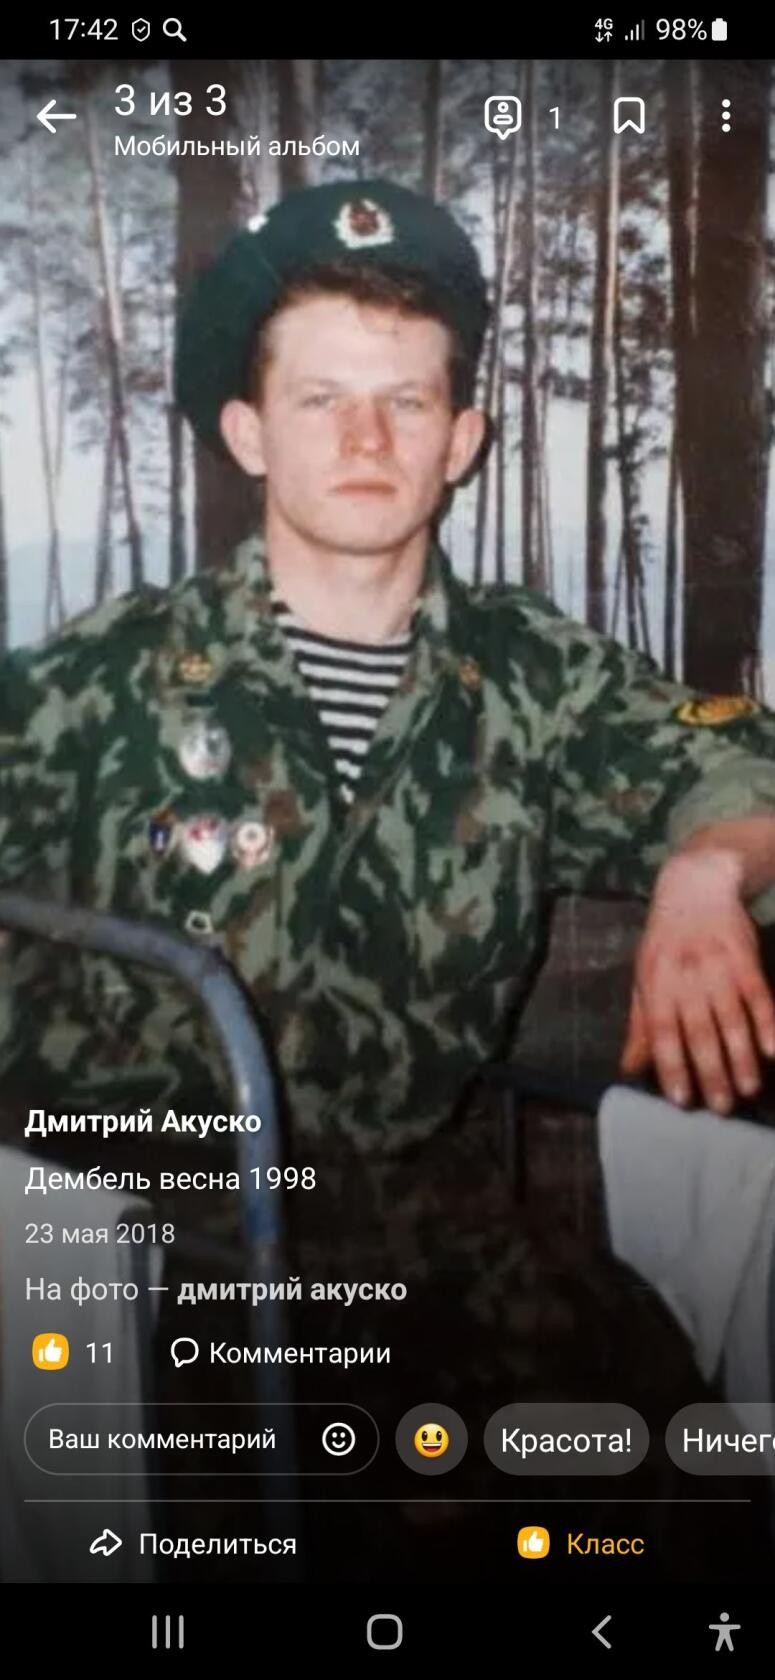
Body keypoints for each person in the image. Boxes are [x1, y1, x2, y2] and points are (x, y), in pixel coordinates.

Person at [3, 180, 775, 1576]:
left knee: (678, 1501)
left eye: (406, 401)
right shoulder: (97, 688)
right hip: (159, 1273)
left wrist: (709, 871)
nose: (366, 440)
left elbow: (742, 763)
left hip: (452, 1254)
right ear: (249, 433)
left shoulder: (529, 680)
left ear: (460, 440)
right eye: (321, 399)